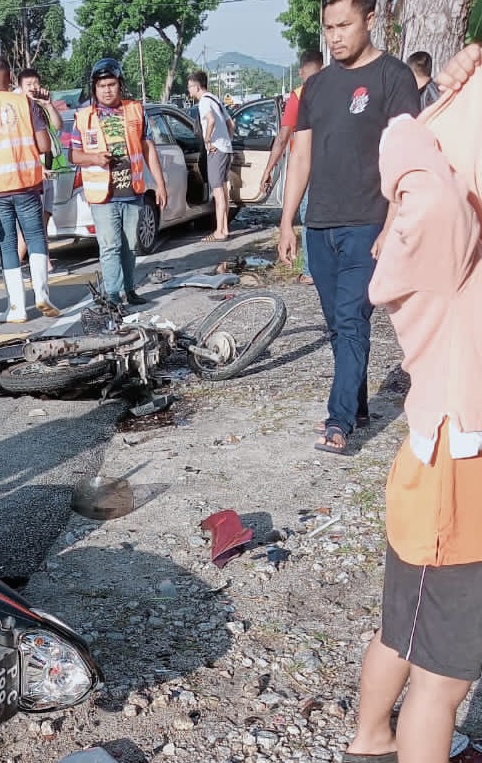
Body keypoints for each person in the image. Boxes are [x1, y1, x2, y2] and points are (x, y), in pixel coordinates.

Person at [342, 44, 482, 763]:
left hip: (437, 467)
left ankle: (369, 739)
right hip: (456, 480)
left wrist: (449, 98)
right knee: (445, 678)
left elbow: (410, 145)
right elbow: (415, 163)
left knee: (403, 628)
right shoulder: (448, 231)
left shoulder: (437, 222)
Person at [276, 0, 419, 456]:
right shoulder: (315, 88)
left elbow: (406, 161)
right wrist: (287, 223)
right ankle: (357, 406)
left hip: (368, 223)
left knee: (353, 321)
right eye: (329, 27)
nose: (335, 36)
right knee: (338, 327)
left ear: (370, 21)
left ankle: (339, 422)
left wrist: (391, 224)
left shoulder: (393, 79)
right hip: (320, 226)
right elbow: (300, 157)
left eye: (345, 25)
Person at [0, 54, 59, 324]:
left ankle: (17, 308)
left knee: (7, 247)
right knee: (35, 238)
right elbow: (44, 146)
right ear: (10, 79)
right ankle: (42, 294)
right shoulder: (25, 103)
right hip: (28, 185)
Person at [69, 58, 167, 307]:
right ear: (94, 88)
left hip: (132, 192)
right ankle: (112, 295)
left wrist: (160, 184)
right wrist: (95, 158)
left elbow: (148, 150)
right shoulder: (83, 117)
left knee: (130, 246)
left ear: (120, 85)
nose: (107, 90)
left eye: (111, 84)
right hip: (103, 196)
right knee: (110, 246)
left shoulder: (135, 110)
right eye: (102, 86)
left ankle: (129, 290)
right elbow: (73, 155)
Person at [260, 50, 324, 286]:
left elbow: (283, 137)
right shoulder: (336, 88)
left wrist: (268, 169)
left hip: (307, 166)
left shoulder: (299, 95)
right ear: (323, 66)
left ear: (300, 71)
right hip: (334, 167)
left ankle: (309, 269)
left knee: (308, 219)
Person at [15, 67, 65, 271]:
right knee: (31, 220)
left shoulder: (41, 106)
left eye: (36, 83)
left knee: (44, 216)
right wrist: (37, 166)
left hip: (50, 170)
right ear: (20, 87)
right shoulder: (20, 109)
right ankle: (15, 263)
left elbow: (59, 126)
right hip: (33, 172)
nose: (33, 88)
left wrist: (48, 104)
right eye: (28, 85)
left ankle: (45, 259)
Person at [187, 70, 235, 243]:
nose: (189, 91)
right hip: (226, 150)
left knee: (218, 191)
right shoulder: (216, 99)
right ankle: (225, 228)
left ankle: (220, 231)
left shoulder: (204, 102)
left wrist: (207, 140)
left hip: (216, 150)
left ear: (197, 86)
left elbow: (211, 120)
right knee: (223, 188)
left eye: (190, 87)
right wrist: (227, 140)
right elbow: (231, 124)